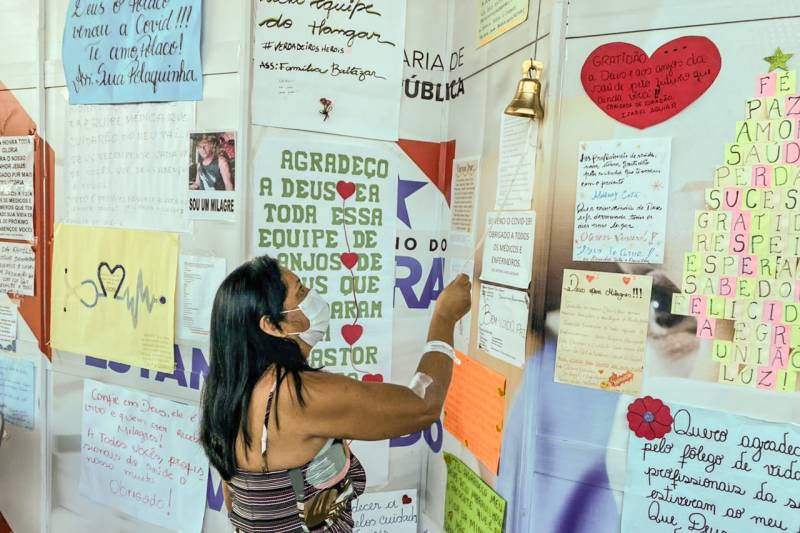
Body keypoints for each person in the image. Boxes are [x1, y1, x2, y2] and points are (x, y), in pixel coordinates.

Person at [200, 255, 471, 532]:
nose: (311, 296)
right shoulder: (298, 396)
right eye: (300, 292)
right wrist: (444, 317)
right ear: (272, 325)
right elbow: (422, 406)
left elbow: (232, 497)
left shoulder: (226, 391)